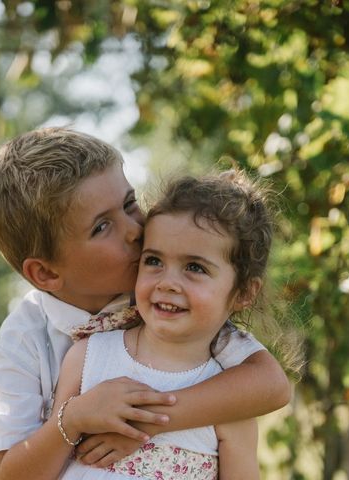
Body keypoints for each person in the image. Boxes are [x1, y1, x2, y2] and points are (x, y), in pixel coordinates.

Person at [0, 127, 291, 480]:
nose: (135, 229)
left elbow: (271, 385)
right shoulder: (24, 340)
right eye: (102, 226)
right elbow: (8, 475)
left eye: (128, 204)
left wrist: (143, 421)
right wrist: (72, 419)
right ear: (46, 273)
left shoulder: (174, 305)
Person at [57, 170, 290, 479]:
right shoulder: (89, 358)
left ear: (244, 293)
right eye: (153, 261)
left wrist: (144, 423)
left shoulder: (228, 402)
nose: (168, 282)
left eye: (195, 267)